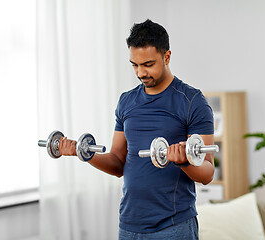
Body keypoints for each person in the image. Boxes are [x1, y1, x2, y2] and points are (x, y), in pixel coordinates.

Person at [59, 19, 215, 240]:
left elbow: (208, 172)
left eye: (148, 64)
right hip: (130, 225)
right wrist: (82, 152)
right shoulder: (127, 102)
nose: (141, 72)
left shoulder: (192, 102)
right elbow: (117, 162)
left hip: (173, 226)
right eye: (135, 65)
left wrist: (184, 161)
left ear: (167, 57)